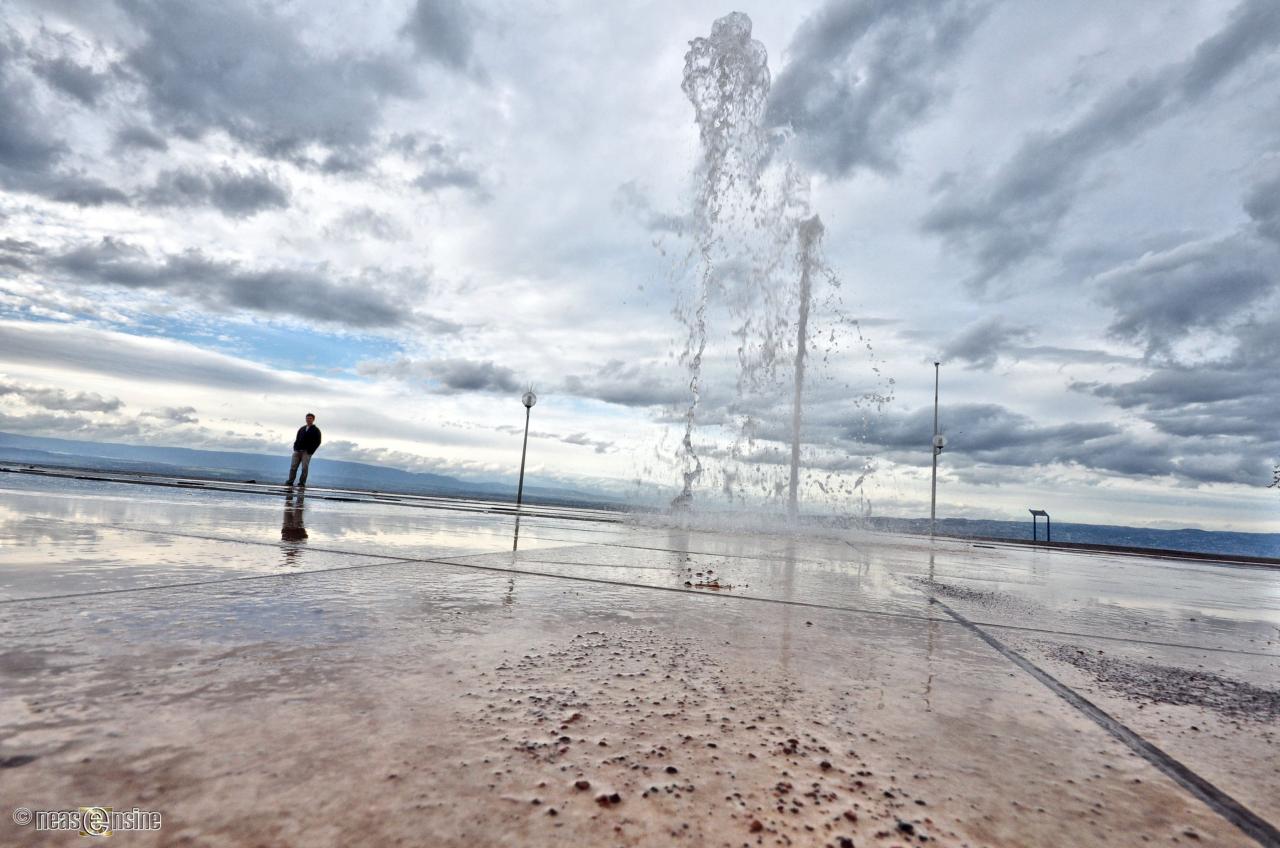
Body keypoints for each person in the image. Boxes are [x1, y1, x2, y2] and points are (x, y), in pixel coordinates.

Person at [285, 413, 322, 486]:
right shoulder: (301, 429)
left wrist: (310, 451)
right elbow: (297, 439)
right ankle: (290, 481)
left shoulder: (316, 430)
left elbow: (318, 442)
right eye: (307, 418)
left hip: (307, 452)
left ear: (313, 419)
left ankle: (302, 483)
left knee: (304, 468)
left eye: (310, 418)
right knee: (293, 467)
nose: (308, 419)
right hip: (297, 451)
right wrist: (295, 448)